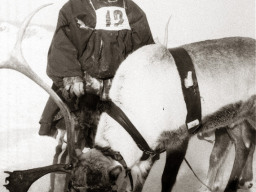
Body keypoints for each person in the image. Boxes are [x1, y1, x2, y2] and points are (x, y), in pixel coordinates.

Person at [39, 0, 154, 148]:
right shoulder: (75, 8)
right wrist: (72, 76)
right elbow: (62, 45)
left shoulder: (132, 11)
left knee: (122, 139)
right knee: (76, 138)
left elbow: (144, 50)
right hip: (83, 86)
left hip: (119, 88)